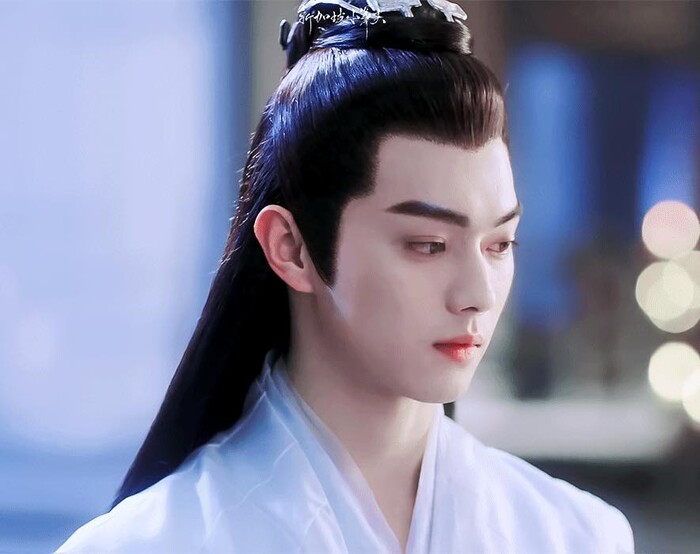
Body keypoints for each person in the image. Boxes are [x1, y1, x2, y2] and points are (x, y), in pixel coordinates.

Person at [56, 0, 635, 552]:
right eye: (428, 245)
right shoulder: (146, 544)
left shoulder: (577, 537)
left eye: (499, 244)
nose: (478, 294)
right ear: (291, 248)